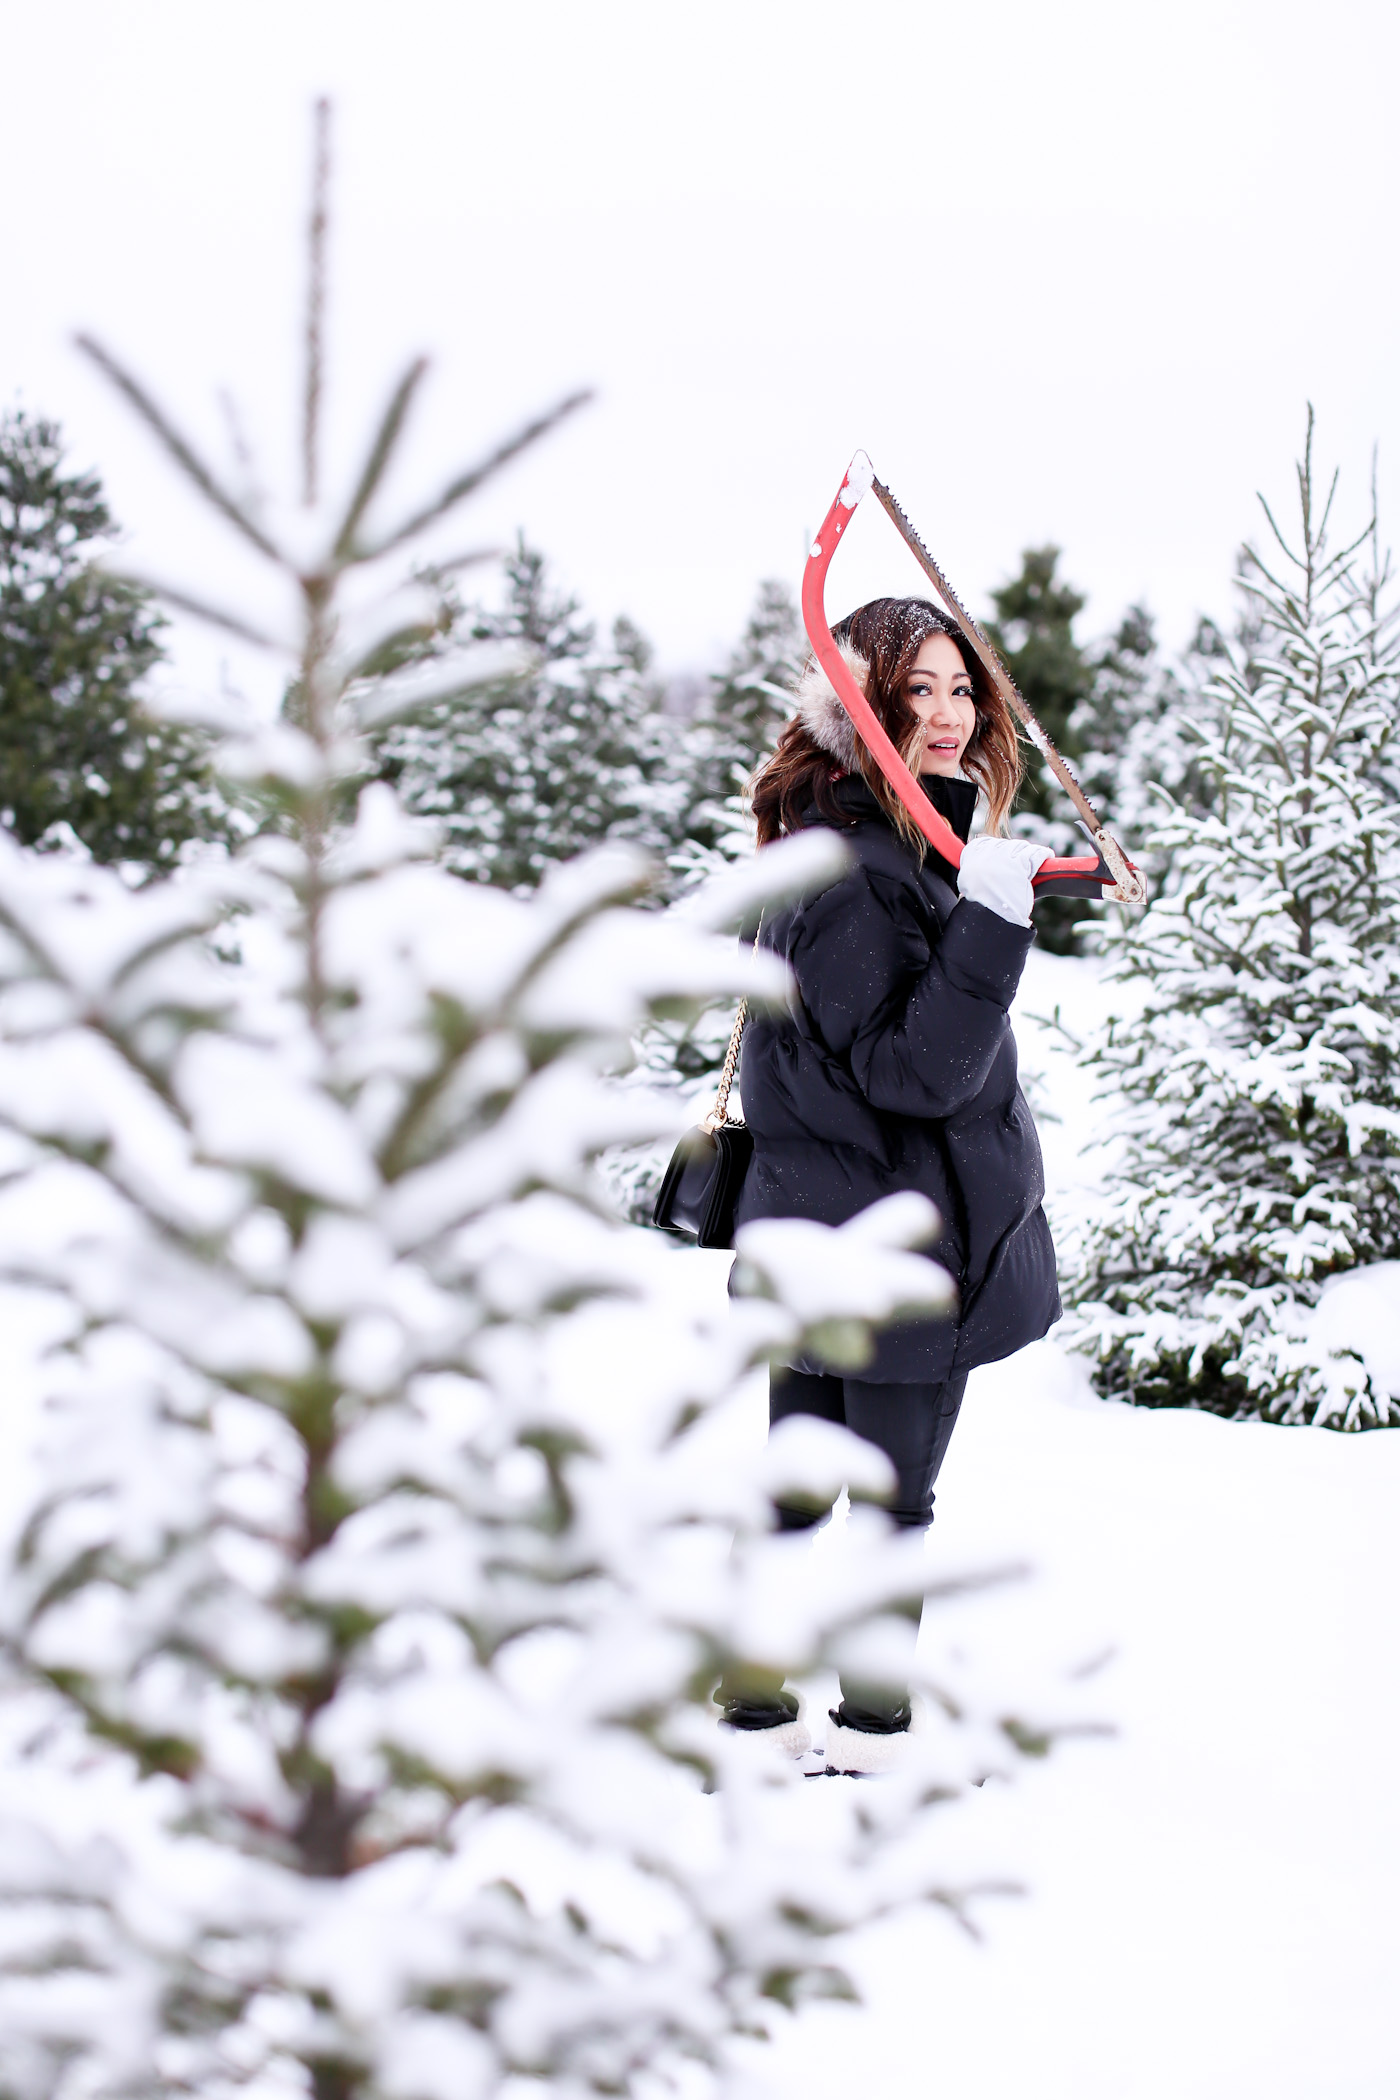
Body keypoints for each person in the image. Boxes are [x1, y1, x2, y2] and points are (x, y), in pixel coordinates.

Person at [719, 596, 1061, 1775]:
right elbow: (915, 1069)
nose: (950, 715)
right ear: (859, 702)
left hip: (830, 1230)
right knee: (887, 1507)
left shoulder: (860, 845)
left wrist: (991, 886)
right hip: (888, 1244)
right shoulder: (862, 871)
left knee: (799, 1487)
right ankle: (870, 1731)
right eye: (916, 690)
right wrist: (993, 920)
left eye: (961, 688)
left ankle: (756, 1706)